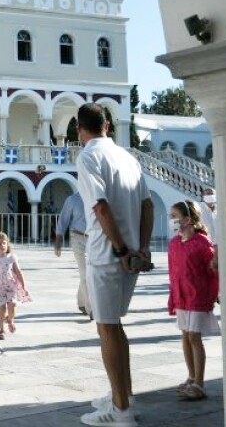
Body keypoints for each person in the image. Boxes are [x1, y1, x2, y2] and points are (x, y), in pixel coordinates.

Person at [75, 103, 153, 427]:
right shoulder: (127, 157)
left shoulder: (88, 157)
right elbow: (147, 205)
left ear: (80, 129)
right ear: (107, 125)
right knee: (115, 327)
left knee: (106, 328)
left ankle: (121, 412)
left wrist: (120, 249)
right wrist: (142, 248)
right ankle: (123, 395)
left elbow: (101, 208)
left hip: (108, 254)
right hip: (130, 254)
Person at [166, 200, 218, 403]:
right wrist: (173, 296)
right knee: (186, 336)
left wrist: (215, 291)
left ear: (187, 220)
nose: (171, 220)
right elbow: (173, 273)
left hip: (198, 296)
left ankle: (199, 383)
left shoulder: (202, 242)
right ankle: (191, 375)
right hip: (181, 297)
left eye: (174, 216)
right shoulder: (174, 244)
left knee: (194, 337)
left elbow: (212, 269)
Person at [0, 231, 31, 341]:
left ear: (7, 244)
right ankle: (1, 330)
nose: (2, 245)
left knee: (12, 305)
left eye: (4, 243)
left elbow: (18, 272)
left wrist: (24, 286)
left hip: (11, 285)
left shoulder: (12, 258)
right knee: (2, 307)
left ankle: (10, 320)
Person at [54, 190, 91, 315]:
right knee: (85, 273)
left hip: (94, 239)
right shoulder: (73, 200)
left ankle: (82, 302)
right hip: (77, 238)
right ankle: (91, 309)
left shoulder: (97, 197)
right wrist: (58, 240)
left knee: (89, 273)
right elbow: (63, 220)